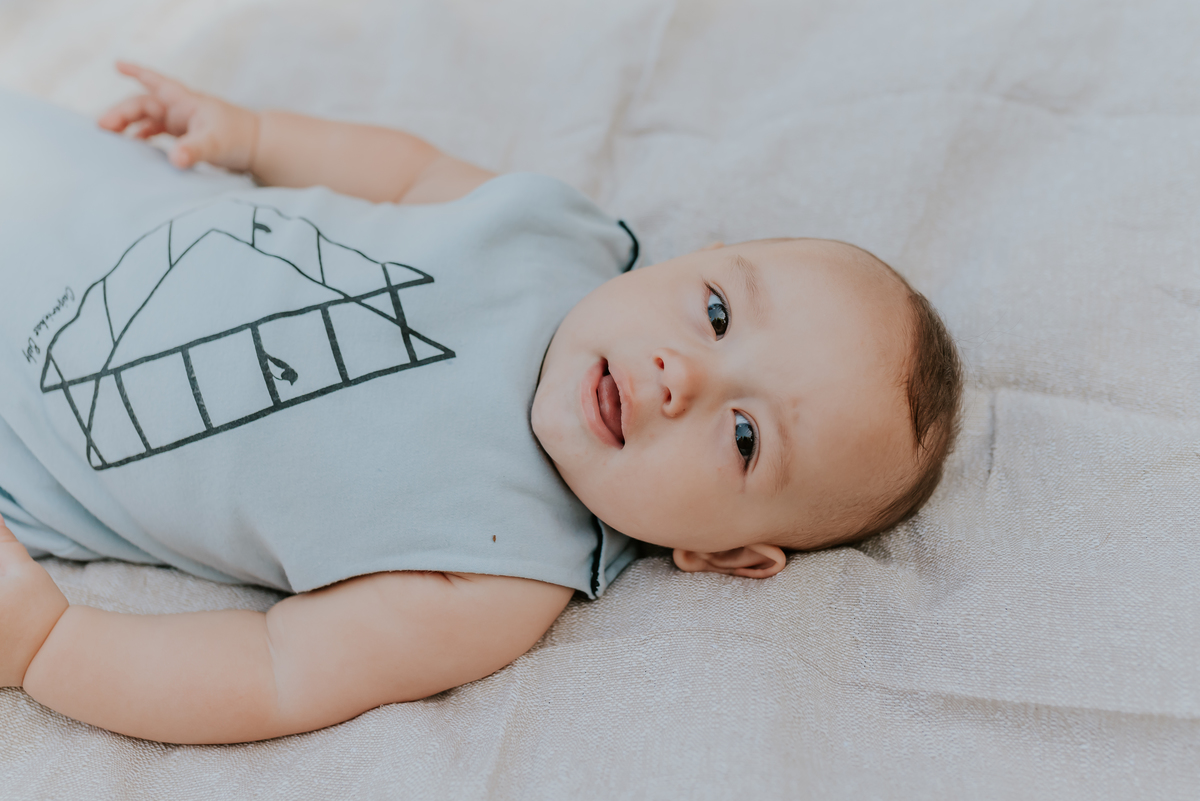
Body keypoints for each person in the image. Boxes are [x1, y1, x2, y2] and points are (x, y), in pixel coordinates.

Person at [0, 62, 963, 744]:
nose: (684, 376)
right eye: (714, 311)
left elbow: (275, 671)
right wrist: (254, 136)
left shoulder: (498, 580)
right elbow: (408, 174)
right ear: (690, 259)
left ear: (721, 554)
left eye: (745, 437)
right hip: (60, 189)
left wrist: (52, 644)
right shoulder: (560, 237)